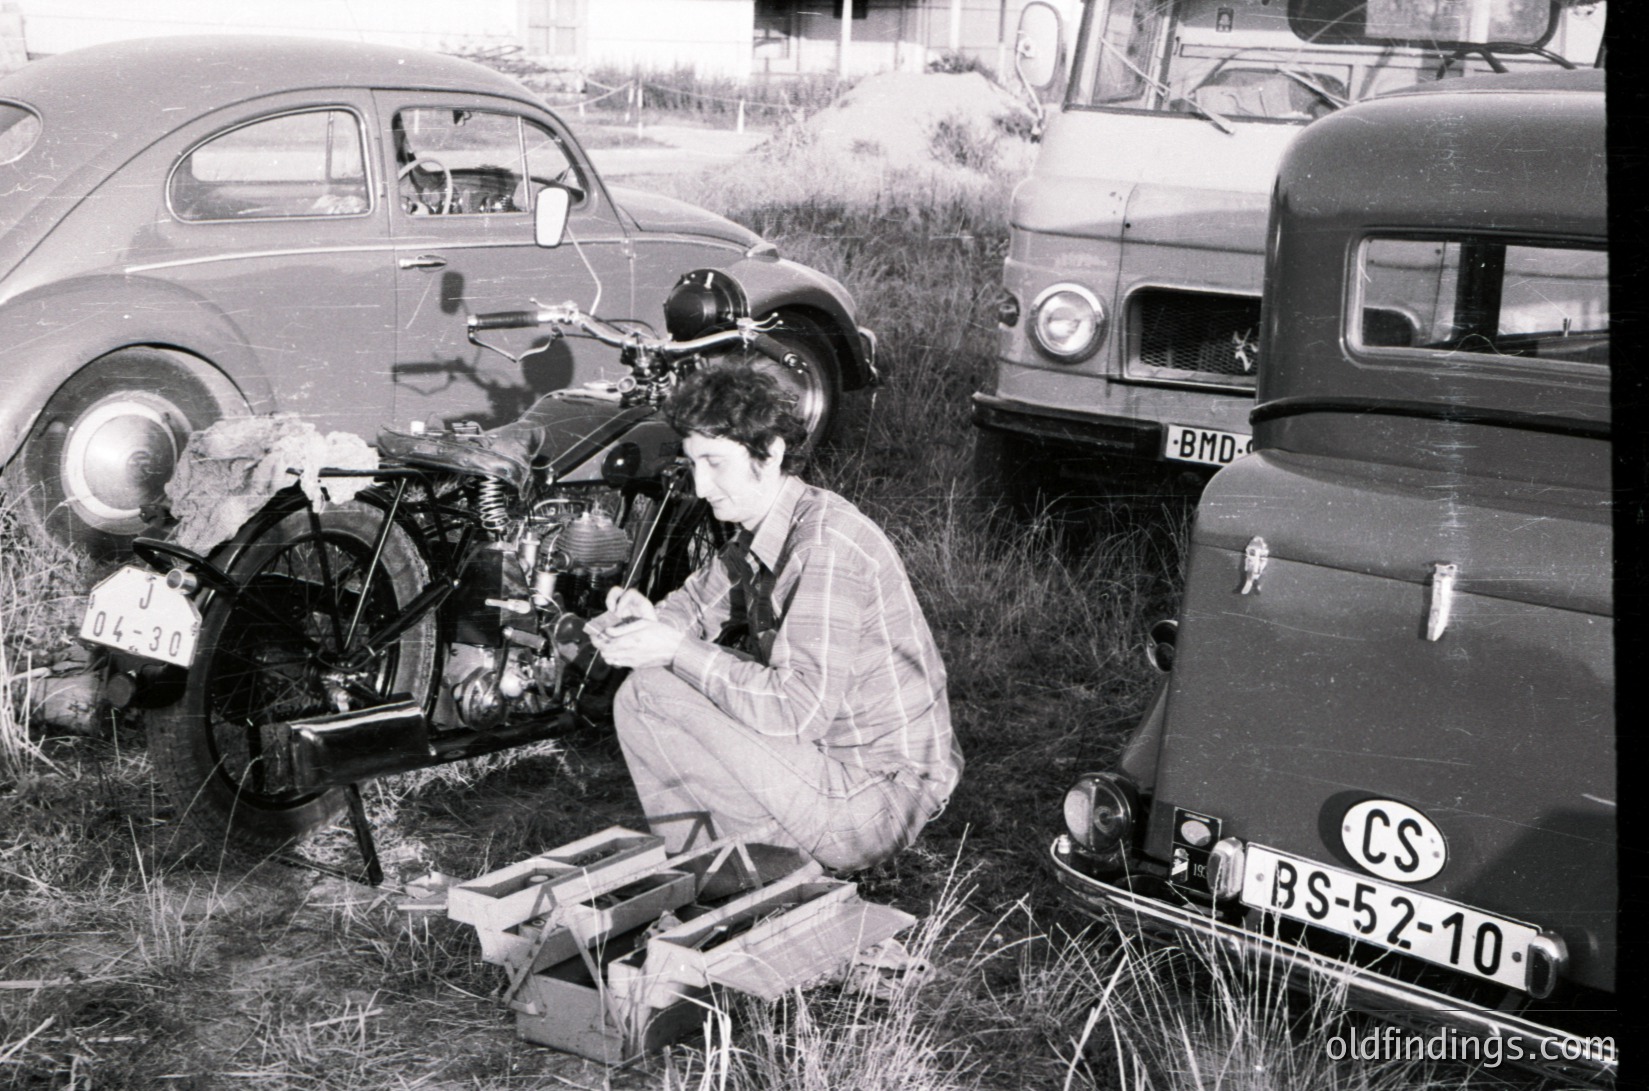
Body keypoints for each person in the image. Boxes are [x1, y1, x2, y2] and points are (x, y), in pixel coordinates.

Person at [588, 365, 962, 872]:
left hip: (877, 803)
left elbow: (797, 712)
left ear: (771, 451)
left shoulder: (823, 548)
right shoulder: (765, 528)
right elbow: (696, 605)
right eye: (693, 463)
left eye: (715, 463)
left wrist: (674, 649)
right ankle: (729, 866)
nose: (701, 486)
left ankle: (753, 872)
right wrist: (647, 620)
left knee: (650, 693)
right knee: (666, 679)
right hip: (833, 764)